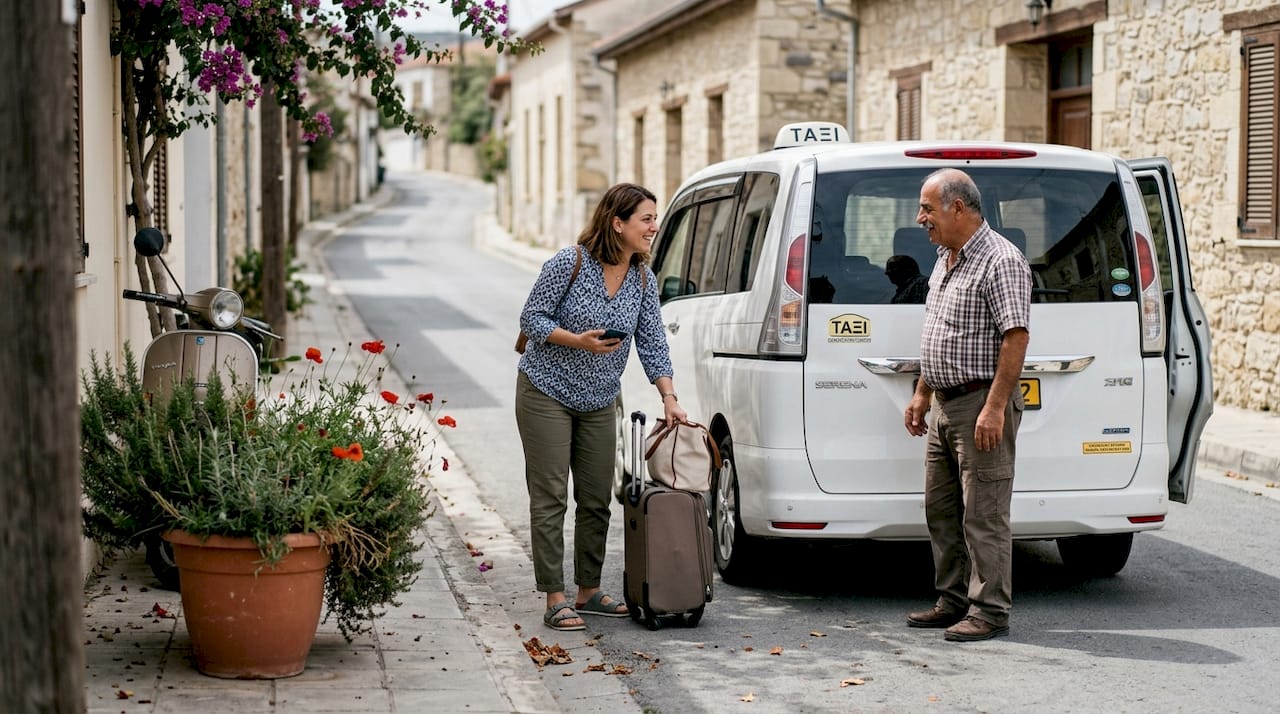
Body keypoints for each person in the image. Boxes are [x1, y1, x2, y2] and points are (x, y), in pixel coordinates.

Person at [516, 182, 687, 632]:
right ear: (617, 223)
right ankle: (555, 596)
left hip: (599, 398)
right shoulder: (569, 263)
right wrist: (578, 341)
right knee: (551, 497)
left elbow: (653, 341)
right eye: (646, 219)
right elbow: (531, 318)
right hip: (545, 391)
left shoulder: (643, 279)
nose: (654, 227)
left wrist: (669, 398)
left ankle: (587, 590)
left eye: (654, 218)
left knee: (595, 499)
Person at [903, 168, 1031, 642]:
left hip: (980, 404)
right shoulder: (945, 257)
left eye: (927, 209)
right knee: (941, 510)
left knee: (984, 514)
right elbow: (937, 329)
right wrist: (922, 392)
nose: (920, 218)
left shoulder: (1001, 260)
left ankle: (990, 610)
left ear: (958, 207)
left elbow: (1015, 338)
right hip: (943, 404)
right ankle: (953, 600)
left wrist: (994, 408)